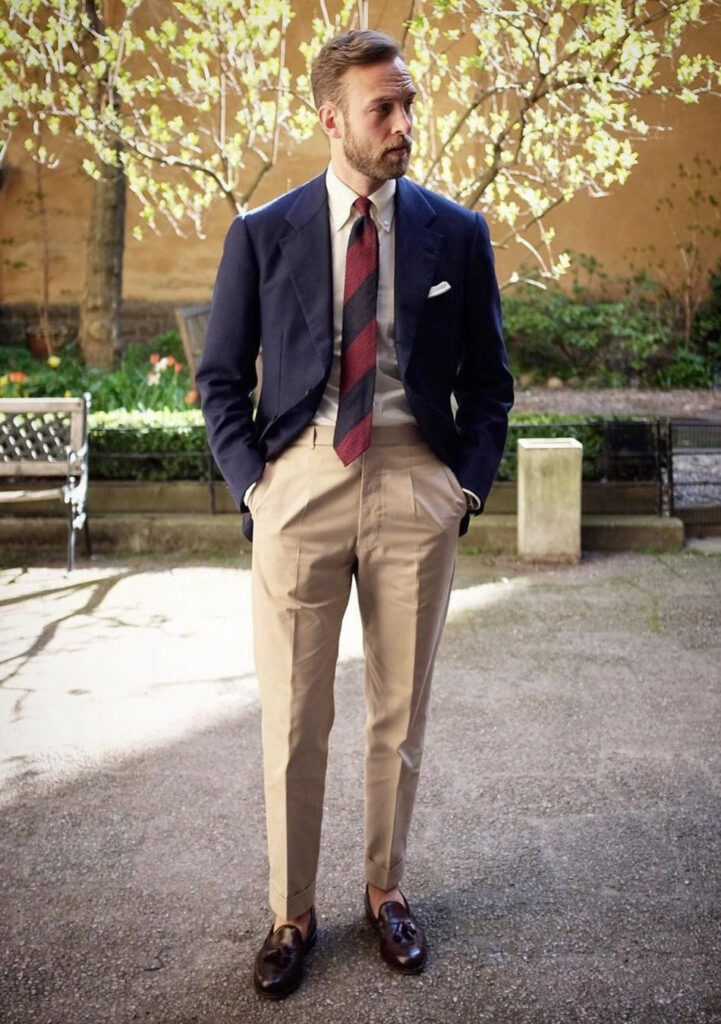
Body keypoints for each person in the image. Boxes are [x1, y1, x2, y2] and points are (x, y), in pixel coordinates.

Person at [196, 28, 513, 1000]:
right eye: (383, 108)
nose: (403, 122)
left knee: (398, 711)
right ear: (332, 118)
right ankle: (291, 912)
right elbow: (217, 379)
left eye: (407, 103)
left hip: (415, 476)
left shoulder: (455, 232)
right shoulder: (262, 232)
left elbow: (491, 384)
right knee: (294, 718)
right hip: (301, 479)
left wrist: (460, 485)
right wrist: (256, 484)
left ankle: (385, 889)